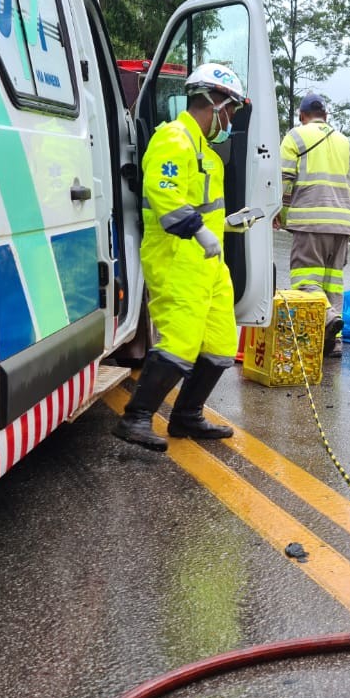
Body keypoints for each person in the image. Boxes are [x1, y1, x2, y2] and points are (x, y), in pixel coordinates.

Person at [114, 63, 248, 449]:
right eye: (232, 110)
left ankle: (187, 416)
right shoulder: (174, 138)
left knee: (221, 344)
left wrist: (226, 225)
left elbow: (203, 203)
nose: (232, 119)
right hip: (176, 256)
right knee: (180, 342)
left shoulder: (204, 148)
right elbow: (163, 193)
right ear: (213, 102)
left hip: (206, 260)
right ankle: (135, 418)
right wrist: (198, 230)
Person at [279, 92, 350, 356]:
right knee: (332, 283)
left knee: (305, 280)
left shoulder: (295, 136)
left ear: (302, 116)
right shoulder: (347, 143)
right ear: (326, 116)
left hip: (310, 222)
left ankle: (327, 317)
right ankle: (334, 342)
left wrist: (274, 210)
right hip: (341, 224)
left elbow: (282, 177)